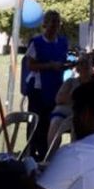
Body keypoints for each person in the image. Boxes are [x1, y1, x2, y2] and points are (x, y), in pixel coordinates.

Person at [22, 10, 69, 159]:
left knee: (50, 121)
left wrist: (66, 65)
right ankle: (32, 151)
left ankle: (47, 153)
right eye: (52, 22)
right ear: (45, 24)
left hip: (56, 86)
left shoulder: (62, 42)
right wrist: (49, 66)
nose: (55, 25)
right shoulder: (37, 42)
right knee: (36, 121)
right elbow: (30, 65)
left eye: (57, 22)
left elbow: (63, 61)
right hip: (38, 87)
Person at [46, 50, 94, 151]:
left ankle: (76, 155)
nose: (85, 66)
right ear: (77, 68)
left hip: (87, 115)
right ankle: (51, 157)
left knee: (77, 124)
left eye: (88, 63)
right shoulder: (71, 82)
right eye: (82, 63)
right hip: (67, 112)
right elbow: (59, 99)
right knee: (55, 122)